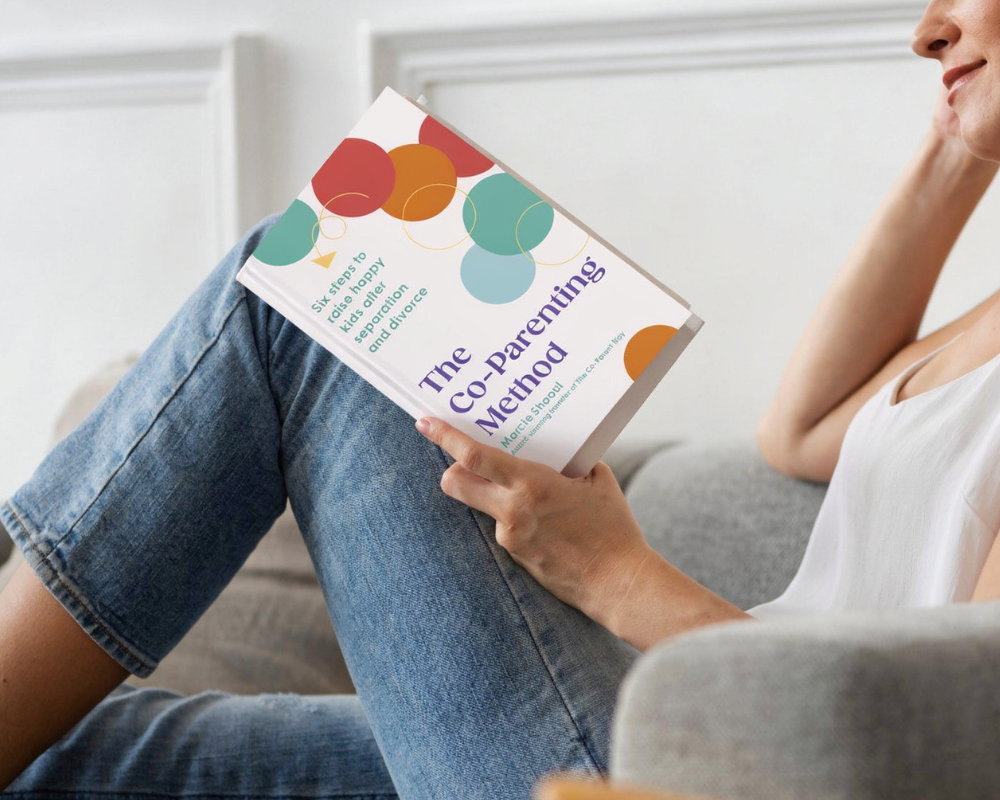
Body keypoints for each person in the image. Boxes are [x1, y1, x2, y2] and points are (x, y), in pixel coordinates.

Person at [1, 0, 998, 794]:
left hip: (728, 774)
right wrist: (957, 137)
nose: (924, 30)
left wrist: (616, 575)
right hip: (680, 741)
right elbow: (799, 427)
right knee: (73, 756)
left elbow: (961, 733)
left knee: (305, 295)